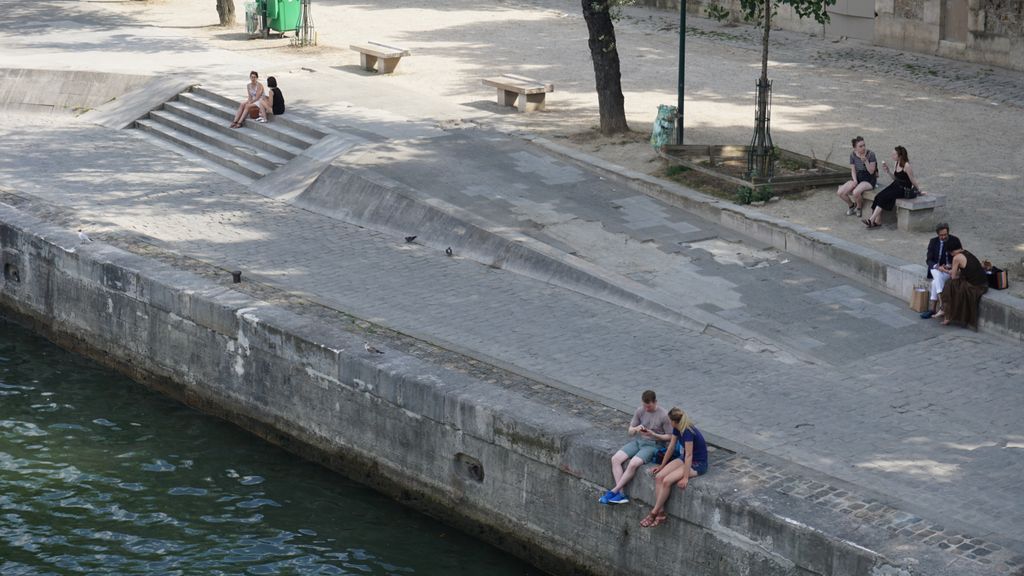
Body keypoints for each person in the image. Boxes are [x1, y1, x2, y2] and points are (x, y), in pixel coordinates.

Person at [599, 390, 672, 505]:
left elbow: (670, 437)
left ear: (655, 402)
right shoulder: (640, 411)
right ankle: (621, 494)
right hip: (640, 441)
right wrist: (636, 429)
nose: (646, 409)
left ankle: (614, 491)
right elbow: (630, 432)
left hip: (654, 445)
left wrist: (654, 434)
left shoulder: (664, 415)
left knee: (633, 463)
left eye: (649, 407)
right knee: (615, 459)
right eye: (645, 406)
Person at [639, 407, 708, 528]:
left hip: (697, 463)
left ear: (675, 422)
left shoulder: (687, 432)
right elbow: (671, 448)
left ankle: (653, 512)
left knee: (667, 481)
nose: (669, 422)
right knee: (659, 476)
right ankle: (661, 514)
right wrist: (662, 466)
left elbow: (689, 455)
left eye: (670, 420)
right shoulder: (677, 428)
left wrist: (685, 477)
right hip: (685, 458)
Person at [863, 146, 925, 229]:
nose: (892, 155)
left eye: (894, 154)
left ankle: (871, 220)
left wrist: (919, 190)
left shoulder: (906, 166)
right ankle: (878, 221)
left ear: (900, 155)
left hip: (903, 189)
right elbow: (896, 178)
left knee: (884, 197)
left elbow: (912, 179)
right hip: (895, 185)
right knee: (878, 196)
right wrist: (888, 171)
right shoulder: (896, 163)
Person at [938, 238, 988, 329]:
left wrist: (943, 269)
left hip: (975, 287)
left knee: (949, 284)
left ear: (950, 251)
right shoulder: (966, 252)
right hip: (983, 283)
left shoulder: (956, 257)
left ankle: (946, 314)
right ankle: (945, 311)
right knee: (953, 285)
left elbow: (953, 277)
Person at [921, 223, 958, 319]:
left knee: (935, 282)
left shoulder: (954, 240)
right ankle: (942, 305)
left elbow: (959, 255)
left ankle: (933, 309)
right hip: (936, 268)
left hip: (949, 270)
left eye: (945, 234)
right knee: (937, 274)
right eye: (941, 235)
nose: (944, 237)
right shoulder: (933, 242)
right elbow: (928, 260)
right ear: (938, 234)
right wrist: (938, 267)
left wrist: (949, 266)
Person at [836, 136, 877, 218]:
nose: (863, 148)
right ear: (855, 148)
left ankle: (859, 207)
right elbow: (853, 170)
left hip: (869, 178)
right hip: (858, 176)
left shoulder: (871, 154)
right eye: (860, 146)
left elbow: (872, 171)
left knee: (856, 192)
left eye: (864, 145)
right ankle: (851, 205)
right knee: (840, 192)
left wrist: (866, 161)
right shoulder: (852, 155)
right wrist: (855, 180)